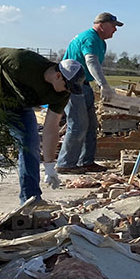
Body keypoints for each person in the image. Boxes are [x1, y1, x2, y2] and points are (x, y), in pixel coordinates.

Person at [0, 48, 85, 209]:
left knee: (30, 144)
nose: (68, 91)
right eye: (67, 86)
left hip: (18, 107)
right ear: (58, 76)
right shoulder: (22, 60)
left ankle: (31, 199)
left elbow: (51, 128)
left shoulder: (62, 94)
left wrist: (50, 165)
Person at [58, 12, 123, 173]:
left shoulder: (100, 41)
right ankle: (66, 163)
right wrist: (104, 85)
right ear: (102, 25)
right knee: (78, 125)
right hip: (71, 84)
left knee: (91, 125)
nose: (115, 30)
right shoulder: (91, 38)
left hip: (84, 84)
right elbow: (91, 61)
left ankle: (86, 161)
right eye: (113, 26)